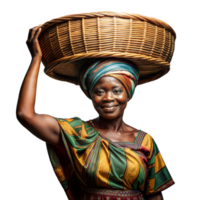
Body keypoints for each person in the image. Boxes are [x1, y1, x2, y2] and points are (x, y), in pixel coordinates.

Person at [15, 24, 176, 200]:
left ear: (129, 94)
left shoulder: (146, 141)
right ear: (89, 96)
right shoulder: (76, 132)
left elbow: (154, 196)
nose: (108, 98)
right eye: (99, 91)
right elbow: (25, 115)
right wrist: (36, 58)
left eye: (116, 90)